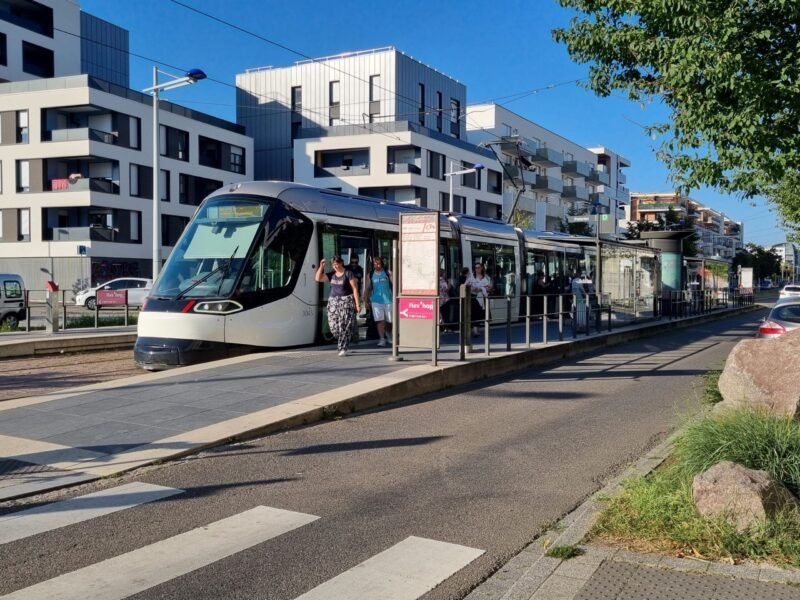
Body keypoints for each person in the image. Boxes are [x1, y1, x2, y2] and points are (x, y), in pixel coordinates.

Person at [315, 255, 361, 356]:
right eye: (333, 265)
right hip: (333, 302)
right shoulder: (332, 274)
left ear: (341, 263)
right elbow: (318, 278)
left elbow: (355, 289)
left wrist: (357, 304)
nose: (335, 266)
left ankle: (343, 348)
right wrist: (321, 266)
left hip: (346, 302)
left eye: (336, 264)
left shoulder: (348, 274)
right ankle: (342, 341)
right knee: (334, 327)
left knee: (344, 326)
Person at [364, 256, 392, 347]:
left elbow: (395, 285)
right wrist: (365, 300)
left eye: (378, 263)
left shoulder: (388, 273)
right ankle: (382, 339)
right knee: (380, 320)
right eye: (375, 264)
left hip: (388, 300)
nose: (377, 265)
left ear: (382, 263)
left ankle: (389, 335)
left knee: (389, 321)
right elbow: (367, 288)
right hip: (376, 301)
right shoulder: (371, 274)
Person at [466, 262, 492, 336]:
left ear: (481, 268)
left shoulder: (485, 277)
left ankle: (476, 330)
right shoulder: (471, 277)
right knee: (475, 314)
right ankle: (475, 330)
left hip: (482, 298)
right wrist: (472, 288)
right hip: (473, 297)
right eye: (476, 267)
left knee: (479, 314)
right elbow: (465, 285)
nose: (477, 269)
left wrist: (481, 289)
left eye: (479, 267)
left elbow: (490, 287)